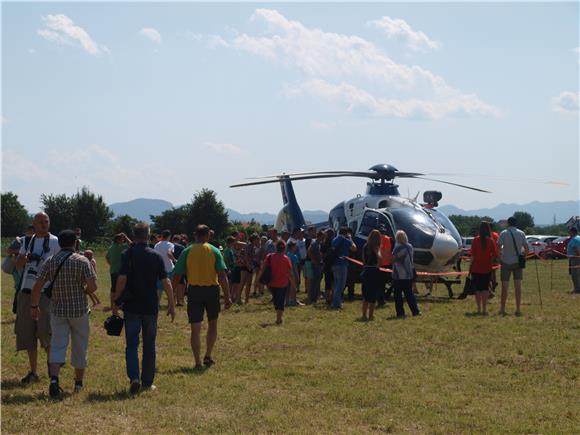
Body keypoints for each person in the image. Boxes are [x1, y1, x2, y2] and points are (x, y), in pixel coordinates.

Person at [30, 230, 97, 398]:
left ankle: (54, 380)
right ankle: (78, 383)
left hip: (58, 310)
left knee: (58, 344)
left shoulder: (51, 261)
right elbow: (93, 286)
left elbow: (37, 285)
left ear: (59, 243)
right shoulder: (82, 261)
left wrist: (34, 306)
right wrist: (84, 289)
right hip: (79, 310)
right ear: (75, 242)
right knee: (80, 345)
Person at [113, 222, 175, 394]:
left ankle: (134, 378)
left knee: (132, 344)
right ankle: (147, 382)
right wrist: (171, 303)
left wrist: (116, 301)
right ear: (148, 236)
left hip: (131, 306)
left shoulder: (128, 254)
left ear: (133, 236)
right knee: (149, 345)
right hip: (150, 306)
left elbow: (121, 279)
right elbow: (166, 281)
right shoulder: (155, 256)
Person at [172, 225, 232, 369]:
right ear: (208, 236)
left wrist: (172, 294)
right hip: (212, 291)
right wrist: (228, 296)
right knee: (213, 325)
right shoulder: (214, 250)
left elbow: (177, 275)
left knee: (195, 328)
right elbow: (222, 276)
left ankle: (197, 361)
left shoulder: (187, 251)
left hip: (194, 291)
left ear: (195, 235)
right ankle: (208, 355)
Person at [14, 212, 60, 385]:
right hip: (26, 290)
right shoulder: (27, 241)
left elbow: (59, 265)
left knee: (46, 331)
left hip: (46, 293)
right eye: (40, 222)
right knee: (27, 333)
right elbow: (18, 267)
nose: (44, 224)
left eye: (46, 221)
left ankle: (52, 370)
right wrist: (22, 258)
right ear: (34, 223)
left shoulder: (56, 241)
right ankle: (33, 371)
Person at [257, 240, 296, 325]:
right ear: (284, 248)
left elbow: (262, 268)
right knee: (280, 301)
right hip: (282, 283)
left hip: (271, 283)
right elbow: (290, 273)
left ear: (276, 247)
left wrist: (258, 279)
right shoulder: (286, 259)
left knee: (276, 300)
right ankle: (279, 318)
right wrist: (293, 284)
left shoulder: (269, 256)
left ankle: (279, 318)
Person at [498, 216, 529, 316]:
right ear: (516, 223)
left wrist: (500, 258)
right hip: (517, 262)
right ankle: (518, 309)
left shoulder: (503, 233)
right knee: (518, 287)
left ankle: (502, 309)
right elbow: (526, 248)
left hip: (506, 261)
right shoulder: (521, 233)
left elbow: (498, 247)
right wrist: (524, 257)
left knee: (504, 287)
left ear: (508, 223)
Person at [469, 222, 498, 315]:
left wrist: (470, 267)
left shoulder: (475, 240)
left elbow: (472, 256)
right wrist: (491, 261)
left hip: (475, 268)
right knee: (485, 289)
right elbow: (494, 255)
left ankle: (478, 309)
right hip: (487, 268)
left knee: (477, 289)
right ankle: (484, 309)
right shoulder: (491, 241)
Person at [391, 230, 421, 318]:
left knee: (398, 295)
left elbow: (393, 259)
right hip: (408, 274)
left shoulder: (398, 248)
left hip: (398, 275)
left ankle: (400, 313)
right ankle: (415, 311)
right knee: (409, 294)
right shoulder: (410, 247)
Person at [330, 227, 357, 309]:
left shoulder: (334, 240)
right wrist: (350, 238)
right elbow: (354, 248)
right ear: (346, 233)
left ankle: (335, 301)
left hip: (334, 264)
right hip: (342, 264)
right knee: (341, 285)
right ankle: (336, 303)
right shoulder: (346, 241)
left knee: (336, 283)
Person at [361, 230, 382, 321]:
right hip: (374, 271)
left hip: (366, 270)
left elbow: (363, 260)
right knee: (372, 294)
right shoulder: (376, 247)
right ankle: (371, 315)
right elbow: (379, 257)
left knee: (365, 294)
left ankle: (364, 314)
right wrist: (378, 265)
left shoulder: (365, 246)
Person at [106, 233, 131, 309]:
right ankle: (119, 305)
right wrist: (126, 237)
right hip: (121, 271)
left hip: (113, 270)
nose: (123, 240)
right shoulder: (122, 247)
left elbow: (106, 257)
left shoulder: (111, 247)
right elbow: (131, 244)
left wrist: (111, 264)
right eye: (122, 239)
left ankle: (112, 305)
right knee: (121, 288)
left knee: (113, 289)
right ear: (118, 240)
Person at [154, 230, 176, 303]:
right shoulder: (170, 244)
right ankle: (171, 303)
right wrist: (175, 260)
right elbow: (169, 253)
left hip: (159, 269)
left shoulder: (156, 245)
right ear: (169, 236)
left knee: (159, 289)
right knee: (170, 288)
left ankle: (157, 304)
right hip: (169, 268)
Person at [306, 230, 325, 304]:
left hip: (319, 264)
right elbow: (309, 251)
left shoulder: (318, 243)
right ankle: (312, 298)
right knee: (314, 282)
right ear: (319, 236)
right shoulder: (314, 243)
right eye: (323, 237)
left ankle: (315, 297)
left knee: (317, 282)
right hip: (315, 265)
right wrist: (314, 260)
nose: (323, 239)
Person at [171, 235, 187, 306]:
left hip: (170, 266)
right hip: (180, 266)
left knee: (173, 284)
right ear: (179, 240)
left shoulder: (170, 246)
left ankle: (172, 300)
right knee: (181, 284)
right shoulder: (182, 247)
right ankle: (179, 300)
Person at [321, 228, 335, 305]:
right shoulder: (334, 242)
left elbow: (322, 254)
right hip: (333, 264)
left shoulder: (324, 243)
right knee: (333, 281)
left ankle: (327, 298)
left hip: (326, 264)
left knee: (327, 282)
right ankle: (332, 297)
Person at [567, 227, 580, 293]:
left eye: (569, 232)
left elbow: (577, 250)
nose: (568, 233)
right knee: (578, 274)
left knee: (574, 274)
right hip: (576, 258)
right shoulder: (579, 238)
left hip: (575, 259)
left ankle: (577, 289)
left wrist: (578, 256)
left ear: (572, 232)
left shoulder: (574, 240)